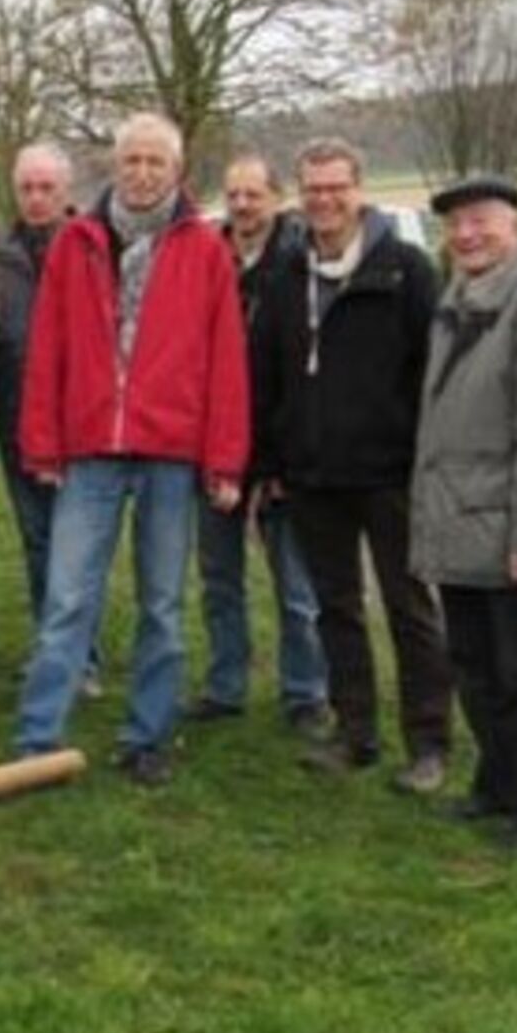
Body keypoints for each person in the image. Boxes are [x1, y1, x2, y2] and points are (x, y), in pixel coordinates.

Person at [10, 114, 247, 784]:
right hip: (90, 446)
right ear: (114, 167)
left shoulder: (205, 251)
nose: (142, 173)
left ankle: (148, 734)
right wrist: (43, 442)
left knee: (163, 603)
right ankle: (37, 738)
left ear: (177, 171)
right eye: (131, 160)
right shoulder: (76, 243)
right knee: (67, 597)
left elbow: (226, 360)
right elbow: (46, 350)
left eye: (155, 162)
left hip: (171, 448)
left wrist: (224, 457)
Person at [253, 138, 454, 790]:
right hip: (313, 475)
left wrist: (425, 455)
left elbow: (434, 372)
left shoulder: (407, 269)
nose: (324, 200)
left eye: (336, 187)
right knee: (334, 607)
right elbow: (268, 376)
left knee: (408, 606)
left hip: (391, 472)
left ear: (359, 189)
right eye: (312, 189)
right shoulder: (286, 274)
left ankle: (428, 743)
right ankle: (356, 730)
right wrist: (271, 458)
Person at [408, 174, 517, 847]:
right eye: (456, 226)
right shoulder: (458, 299)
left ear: (516, 227)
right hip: (456, 519)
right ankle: (495, 786)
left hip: (504, 523)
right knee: (473, 664)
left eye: (483, 222)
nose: (468, 235)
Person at [187, 150, 330, 734]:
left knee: (296, 584)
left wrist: (279, 459)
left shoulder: (300, 265)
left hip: (280, 449)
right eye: (235, 194)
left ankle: (306, 693)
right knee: (219, 576)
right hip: (213, 440)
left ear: (277, 198)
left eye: (255, 194)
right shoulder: (205, 258)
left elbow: (301, 373)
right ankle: (226, 684)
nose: (243, 206)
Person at [0, 140, 102, 698]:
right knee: (37, 540)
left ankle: (84, 657)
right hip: (16, 420)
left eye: (47, 187)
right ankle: (52, 648)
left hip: (82, 423)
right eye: (27, 187)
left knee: (77, 544)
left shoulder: (95, 247)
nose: (36, 197)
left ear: (66, 191)